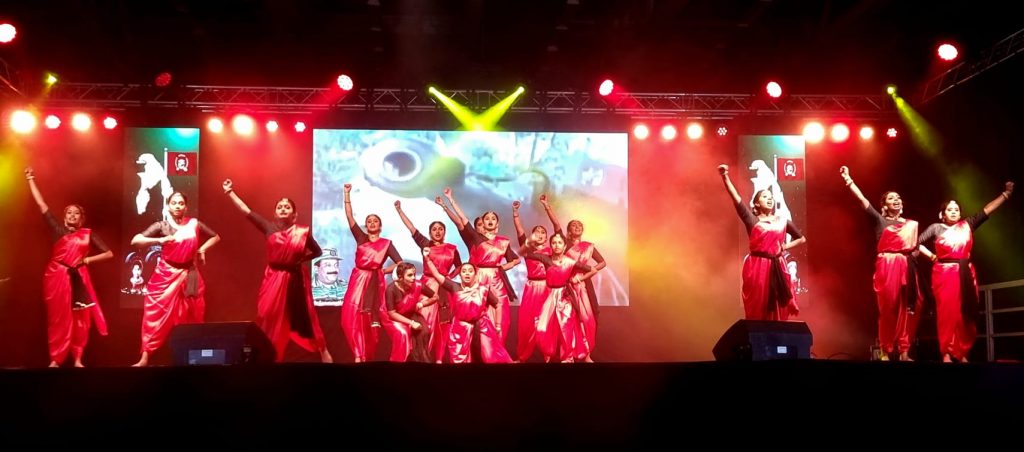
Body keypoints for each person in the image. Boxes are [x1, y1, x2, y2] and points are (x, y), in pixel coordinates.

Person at [223, 179, 332, 363]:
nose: (283, 209)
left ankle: (323, 352)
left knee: (307, 317)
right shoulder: (269, 227)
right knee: (266, 314)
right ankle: (268, 356)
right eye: (279, 207)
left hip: (295, 279)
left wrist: (300, 260)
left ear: (294, 214)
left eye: (287, 207)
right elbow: (246, 211)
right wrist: (229, 192)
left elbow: (317, 251)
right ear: (275, 213)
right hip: (273, 278)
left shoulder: (302, 232)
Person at [25, 167, 113, 368]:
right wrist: (30, 178)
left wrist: (87, 261)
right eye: (69, 212)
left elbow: (109, 253)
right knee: (58, 319)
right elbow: (41, 204)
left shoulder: (87, 234)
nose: (73, 215)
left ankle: (78, 359)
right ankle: (56, 359)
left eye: (76, 213)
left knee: (81, 320)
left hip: (79, 276)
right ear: (64, 217)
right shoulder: (58, 230)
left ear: (81, 218)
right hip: (57, 276)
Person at [917, 181, 1014, 363]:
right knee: (947, 314)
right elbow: (916, 242)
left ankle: (961, 352)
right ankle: (946, 353)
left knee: (965, 312)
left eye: (956, 209)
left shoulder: (967, 225)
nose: (954, 212)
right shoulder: (935, 228)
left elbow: (987, 210)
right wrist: (931, 256)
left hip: (965, 273)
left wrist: (1005, 195)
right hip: (944, 273)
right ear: (942, 214)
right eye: (950, 209)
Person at [840, 166, 923, 361]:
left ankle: (904, 352)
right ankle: (885, 349)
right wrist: (848, 179)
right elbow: (862, 200)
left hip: (907, 265)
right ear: (884, 205)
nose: (897, 200)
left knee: (909, 307)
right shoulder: (879, 220)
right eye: (891, 198)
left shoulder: (910, 224)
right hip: (887, 265)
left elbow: (916, 247)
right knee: (888, 309)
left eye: (898, 198)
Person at [130, 191, 220, 367]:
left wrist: (202, 250)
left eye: (181, 203)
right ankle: (145, 358)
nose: (177, 206)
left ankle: (192, 357)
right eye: (174, 203)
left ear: (186, 207)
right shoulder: (162, 226)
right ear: (168, 206)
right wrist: (160, 240)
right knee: (153, 315)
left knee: (193, 314)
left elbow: (215, 236)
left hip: (189, 274)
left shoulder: (194, 224)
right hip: (165, 274)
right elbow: (136, 240)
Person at [718, 164, 806, 320]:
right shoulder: (752, 220)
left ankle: (777, 331)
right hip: (757, 267)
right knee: (759, 305)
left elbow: (801, 238)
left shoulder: (782, 221)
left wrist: (785, 246)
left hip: (778, 266)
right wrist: (725, 176)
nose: (769, 199)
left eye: (770, 197)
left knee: (779, 304)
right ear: (756, 203)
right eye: (765, 197)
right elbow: (736, 198)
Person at [438, 187, 520, 347]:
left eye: (493, 219)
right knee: (481, 313)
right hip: (480, 278)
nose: (490, 220)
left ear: (497, 224)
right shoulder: (476, 238)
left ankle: (497, 350)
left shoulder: (504, 242)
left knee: (502, 316)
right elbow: (462, 219)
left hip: (497, 281)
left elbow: (514, 260)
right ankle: (481, 349)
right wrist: (450, 199)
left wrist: (500, 268)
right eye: (486, 218)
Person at [341, 183, 403, 362]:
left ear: (380, 226)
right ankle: (357, 352)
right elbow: (349, 216)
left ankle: (365, 354)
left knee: (370, 318)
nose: (372, 223)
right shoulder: (361, 238)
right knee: (351, 316)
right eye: (369, 221)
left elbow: (400, 263)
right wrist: (347, 194)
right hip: (358, 279)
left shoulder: (386, 244)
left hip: (375, 280)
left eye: (375, 221)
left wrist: (383, 270)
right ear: (366, 226)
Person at [540, 194, 606, 362]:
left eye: (579, 225)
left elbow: (602, 263)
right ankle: (561, 352)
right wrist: (547, 206)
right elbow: (556, 224)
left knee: (590, 315)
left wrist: (583, 277)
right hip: (566, 284)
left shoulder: (588, 246)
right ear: (568, 232)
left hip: (583, 283)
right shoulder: (565, 244)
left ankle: (586, 353)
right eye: (573, 225)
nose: (577, 227)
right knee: (566, 318)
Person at [395, 200, 462, 362]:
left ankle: (439, 359)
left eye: (440, 229)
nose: (437, 232)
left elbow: (459, 266)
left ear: (444, 232)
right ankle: (421, 356)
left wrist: (448, 278)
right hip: (427, 286)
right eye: (434, 229)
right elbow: (411, 228)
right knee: (425, 321)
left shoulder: (452, 248)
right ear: (430, 233)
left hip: (444, 287)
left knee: (443, 324)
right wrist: (399, 210)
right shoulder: (426, 244)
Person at [521, 232, 599, 362]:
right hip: (549, 296)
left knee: (566, 329)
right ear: (551, 245)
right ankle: (549, 353)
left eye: (560, 243)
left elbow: (593, 270)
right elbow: (522, 253)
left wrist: (578, 279)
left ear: (564, 246)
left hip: (564, 298)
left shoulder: (570, 262)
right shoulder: (545, 258)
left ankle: (567, 358)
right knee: (541, 328)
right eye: (554, 243)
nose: (557, 245)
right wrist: (531, 240)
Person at [423, 249, 512, 363]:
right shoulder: (454, 287)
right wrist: (427, 259)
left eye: (470, 271)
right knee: (460, 360)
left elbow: (497, 304)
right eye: (464, 271)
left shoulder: (483, 289)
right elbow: (436, 275)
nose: (467, 273)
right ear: (460, 275)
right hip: (460, 328)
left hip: (482, 327)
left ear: (475, 274)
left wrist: (498, 326)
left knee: (489, 356)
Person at [512, 200, 550, 362]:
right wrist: (515, 213)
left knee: (547, 322)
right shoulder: (528, 249)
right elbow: (520, 231)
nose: (540, 234)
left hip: (548, 288)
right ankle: (522, 356)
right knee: (527, 323)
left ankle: (548, 355)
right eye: (537, 232)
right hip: (532, 288)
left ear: (547, 237)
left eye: (543, 232)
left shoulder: (552, 250)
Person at [381, 262, 436, 362]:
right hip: (394, 318)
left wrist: (423, 303)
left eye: (414, 274)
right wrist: (411, 323)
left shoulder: (418, 285)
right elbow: (392, 313)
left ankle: (421, 359)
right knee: (403, 333)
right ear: (400, 277)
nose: (414, 278)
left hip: (410, 313)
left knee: (425, 331)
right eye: (410, 275)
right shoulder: (391, 289)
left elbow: (435, 297)